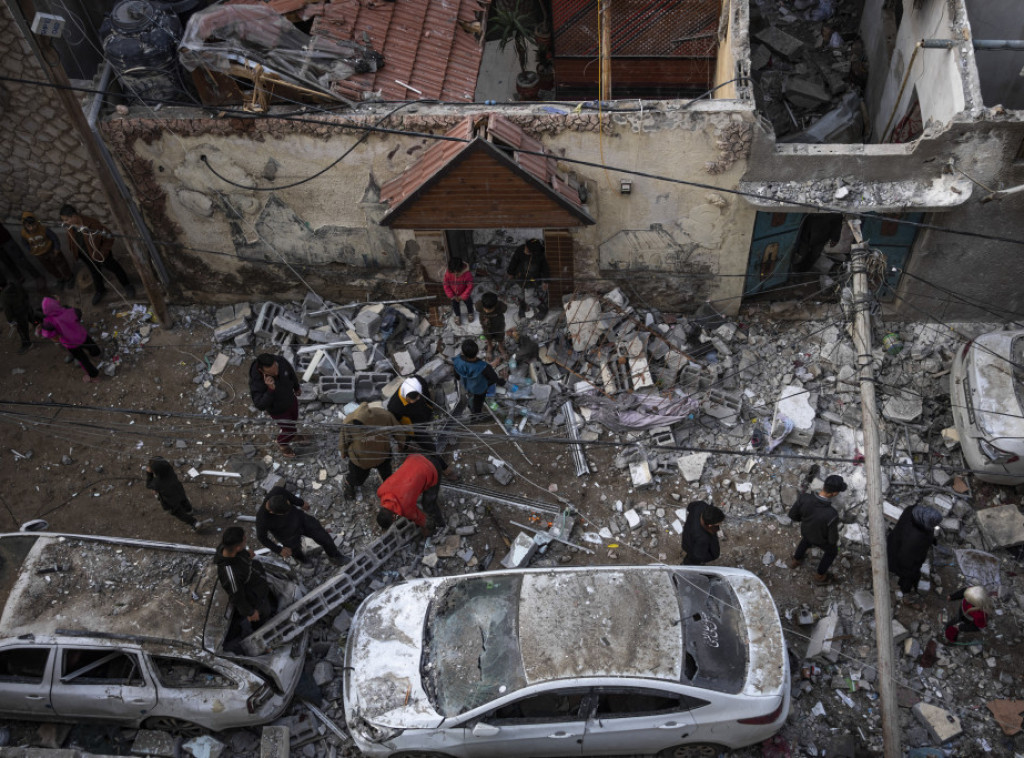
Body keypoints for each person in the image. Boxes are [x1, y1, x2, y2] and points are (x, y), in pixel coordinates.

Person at [59, 204, 135, 305]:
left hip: (100, 254)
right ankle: (100, 290)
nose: (65, 223)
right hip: (86, 255)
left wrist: (102, 253)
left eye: (67, 219)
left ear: (74, 216)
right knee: (94, 272)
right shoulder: (71, 228)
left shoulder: (92, 224)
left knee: (114, 268)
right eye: (63, 220)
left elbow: (109, 237)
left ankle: (127, 285)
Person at [386, 376, 459, 480]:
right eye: (412, 399)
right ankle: (445, 469)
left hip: (423, 415)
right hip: (412, 427)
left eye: (417, 397)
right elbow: (395, 426)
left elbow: (427, 396)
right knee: (429, 446)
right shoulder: (394, 406)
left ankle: (404, 446)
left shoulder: (418, 381)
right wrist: (401, 439)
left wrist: (429, 407)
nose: (415, 400)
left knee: (417, 440)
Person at [255, 486, 347, 566]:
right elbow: (262, 538)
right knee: (295, 552)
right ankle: (303, 560)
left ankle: (335, 556)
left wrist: (301, 503)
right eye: (284, 513)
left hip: (301, 520)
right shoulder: (262, 520)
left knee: (324, 537)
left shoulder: (277, 491)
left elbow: (289, 495)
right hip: (287, 535)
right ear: (272, 512)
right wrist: (279, 550)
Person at [787, 474, 847, 585]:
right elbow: (832, 538)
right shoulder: (832, 514)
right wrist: (833, 544)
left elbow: (792, 515)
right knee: (832, 552)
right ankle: (820, 575)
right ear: (834, 493)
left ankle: (796, 560)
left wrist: (806, 520)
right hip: (821, 540)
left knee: (805, 541)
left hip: (806, 532)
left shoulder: (804, 498)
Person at [215, 527, 272, 636]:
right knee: (263, 614)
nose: (246, 539)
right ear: (237, 547)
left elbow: (240, 555)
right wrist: (250, 612)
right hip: (255, 598)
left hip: (258, 583)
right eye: (244, 539)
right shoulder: (230, 574)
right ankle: (259, 630)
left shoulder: (229, 549)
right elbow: (236, 597)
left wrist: (246, 554)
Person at [338, 402, 400, 500]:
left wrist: (402, 443)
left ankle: (389, 489)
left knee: (387, 475)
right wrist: (343, 452)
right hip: (361, 460)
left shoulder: (384, 416)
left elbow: (397, 430)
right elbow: (344, 440)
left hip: (382, 455)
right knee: (356, 477)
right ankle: (349, 485)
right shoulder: (349, 422)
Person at [376, 453, 444, 536]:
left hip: (432, 468)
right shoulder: (381, 491)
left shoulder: (405, 509)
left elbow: (421, 519)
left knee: (428, 505)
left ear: (394, 517)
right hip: (417, 457)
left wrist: (427, 527)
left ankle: (440, 524)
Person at [249, 353, 302, 458]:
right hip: (279, 410)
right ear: (262, 371)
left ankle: (293, 435)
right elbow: (260, 405)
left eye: (276, 368)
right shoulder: (256, 382)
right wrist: (270, 390)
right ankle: (283, 445)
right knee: (289, 429)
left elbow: (290, 372)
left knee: (294, 421)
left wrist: (296, 387)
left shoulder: (280, 361)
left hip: (291, 399)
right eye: (272, 372)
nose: (276, 372)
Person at [37, 296, 102, 382]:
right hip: (82, 335)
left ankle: (94, 376)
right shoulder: (68, 310)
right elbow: (78, 314)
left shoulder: (48, 322)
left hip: (71, 344)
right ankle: (97, 354)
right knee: (92, 346)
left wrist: (40, 331)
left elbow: (49, 335)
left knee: (83, 360)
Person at [887, 504, 941, 598]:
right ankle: (905, 590)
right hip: (905, 557)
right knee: (908, 575)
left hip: (896, 542)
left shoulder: (911, 510)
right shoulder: (916, 537)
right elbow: (906, 558)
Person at [453, 338, 506, 421]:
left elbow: (456, 375)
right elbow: (494, 378)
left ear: (463, 352)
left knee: (474, 395)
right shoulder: (483, 367)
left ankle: (474, 410)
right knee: (478, 402)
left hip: (466, 384)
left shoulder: (457, 360)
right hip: (479, 389)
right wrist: (502, 381)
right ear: (477, 352)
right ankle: (476, 416)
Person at [21, 212, 73, 289]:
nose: (32, 228)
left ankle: (69, 277)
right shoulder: (24, 233)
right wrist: (31, 250)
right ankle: (60, 279)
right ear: (25, 226)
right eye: (29, 226)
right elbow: (25, 243)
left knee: (62, 264)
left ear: (36, 222)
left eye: (33, 225)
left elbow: (54, 238)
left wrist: (56, 248)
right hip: (40, 255)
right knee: (50, 268)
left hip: (51, 251)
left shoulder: (43, 229)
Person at [146, 456, 199, 529]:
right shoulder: (170, 470)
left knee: (178, 512)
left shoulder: (157, 483)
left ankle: (194, 522)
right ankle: (190, 510)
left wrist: (149, 473)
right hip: (179, 490)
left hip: (170, 500)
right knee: (184, 501)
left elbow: (148, 485)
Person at [506, 238, 550, 319]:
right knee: (520, 294)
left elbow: (545, 268)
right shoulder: (520, 249)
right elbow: (514, 261)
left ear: (533, 251)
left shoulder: (539, 256)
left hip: (532, 280)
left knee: (529, 298)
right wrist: (510, 272)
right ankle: (523, 307)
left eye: (527, 249)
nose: (525, 249)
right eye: (525, 247)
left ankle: (543, 308)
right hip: (520, 277)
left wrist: (545, 281)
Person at [680, 501, 725, 566]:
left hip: (687, 535)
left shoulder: (701, 506)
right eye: (718, 523)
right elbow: (699, 555)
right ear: (710, 525)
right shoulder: (703, 537)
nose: (720, 524)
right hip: (691, 546)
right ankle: (686, 565)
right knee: (693, 559)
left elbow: (690, 506)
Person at [1, 278, 35, 354]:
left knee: (22, 330)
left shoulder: (3, 296)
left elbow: (7, 310)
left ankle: (27, 344)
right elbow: (26, 294)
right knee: (33, 319)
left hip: (18, 315)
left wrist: (11, 321)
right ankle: (41, 328)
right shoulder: (16, 285)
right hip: (26, 307)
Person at [443, 257, 475, 326]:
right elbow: (446, 285)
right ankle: (457, 315)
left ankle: (470, 313)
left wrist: (463, 296)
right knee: (455, 305)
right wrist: (452, 295)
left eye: (457, 272)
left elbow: (470, 286)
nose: (455, 274)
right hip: (454, 294)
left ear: (461, 268)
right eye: (453, 272)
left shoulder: (467, 274)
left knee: (469, 303)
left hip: (464, 293)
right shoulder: (448, 273)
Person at [478, 291, 508, 363]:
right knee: (488, 335)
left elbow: (505, 308)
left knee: (500, 335)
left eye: (489, 309)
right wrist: (484, 322)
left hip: (498, 324)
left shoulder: (501, 306)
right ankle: (490, 346)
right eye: (485, 308)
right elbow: (479, 309)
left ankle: (500, 347)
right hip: (486, 325)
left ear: (495, 305)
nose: (486, 311)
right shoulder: (478, 305)